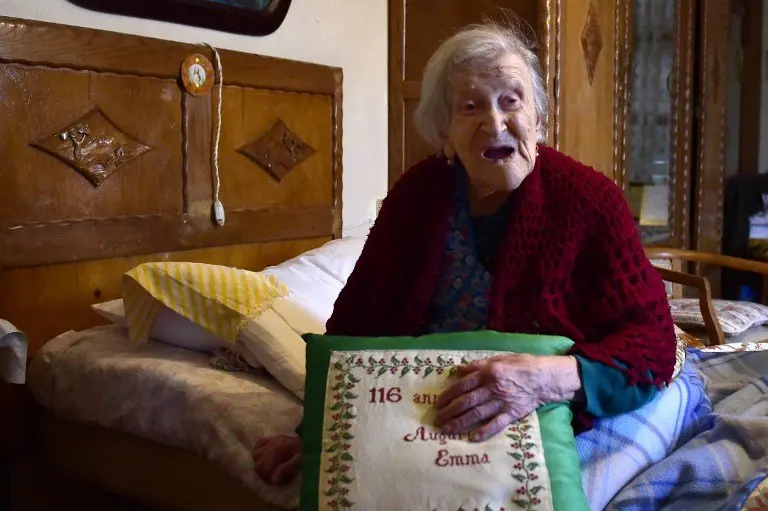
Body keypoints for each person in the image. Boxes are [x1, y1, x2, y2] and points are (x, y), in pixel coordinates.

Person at [252, 20, 676, 486]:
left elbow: (652, 344)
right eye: (470, 107)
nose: (494, 123)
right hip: (421, 406)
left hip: (547, 407)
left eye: (511, 101)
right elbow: (357, 325)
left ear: (539, 117)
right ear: (445, 133)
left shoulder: (591, 200)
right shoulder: (416, 196)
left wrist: (550, 379)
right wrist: (319, 431)